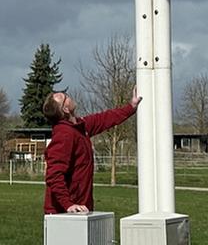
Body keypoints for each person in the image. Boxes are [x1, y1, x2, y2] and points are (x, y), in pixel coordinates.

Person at [42, 86, 141, 215]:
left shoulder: (79, 127)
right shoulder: (64, 134)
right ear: (65, 109)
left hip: (81, 208)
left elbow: (105, 118)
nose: (68, 95)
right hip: (64, 213)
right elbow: (54, 175)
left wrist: (131, 106)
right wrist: (68, 204)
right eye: (65, 97)